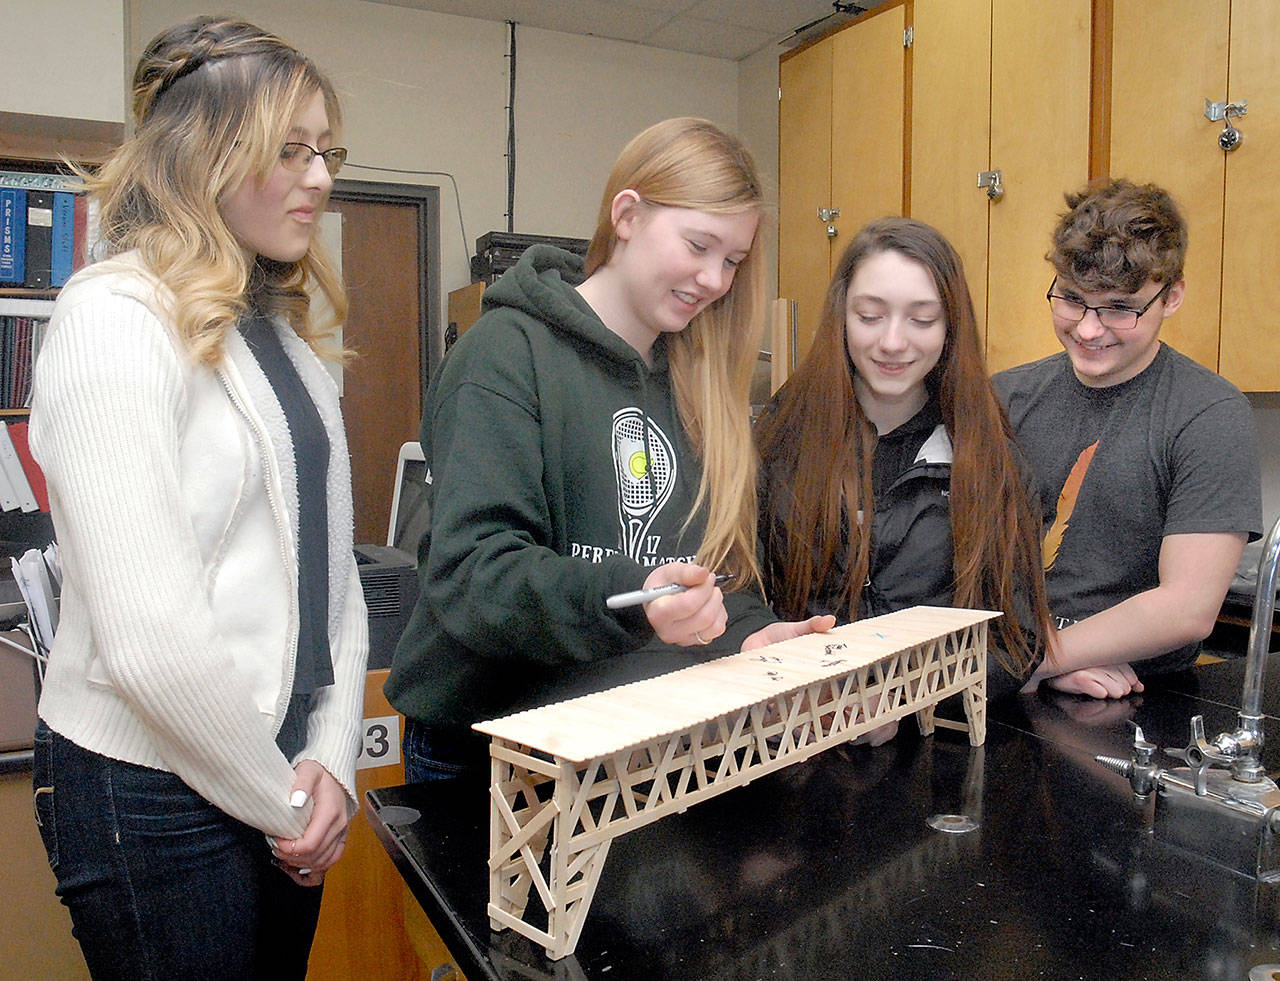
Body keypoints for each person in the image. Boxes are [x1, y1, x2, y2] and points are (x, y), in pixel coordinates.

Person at [29, 16, 369, 978]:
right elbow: (148, 637)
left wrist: (333, 754)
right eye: (289, 150)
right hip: (150, 789)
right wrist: (286, 799)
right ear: (203, 155)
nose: (321, 177)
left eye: (325, 150)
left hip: (280, 774)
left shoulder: (285, 344)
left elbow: (332, 571)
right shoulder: (113, 317)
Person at [385, 117, 829, 780]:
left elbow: (710, 572)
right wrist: (634, 595)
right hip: (493, 754)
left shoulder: (699, 379)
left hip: (634, 740)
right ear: (626, 214)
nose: (714, 279)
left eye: (732, 260)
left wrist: (748, 635)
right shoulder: (504, 356)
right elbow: (476, 577)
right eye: (699, 245)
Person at [756, 217, 1054, 709]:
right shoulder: (781, 435)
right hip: (789, 736)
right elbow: (739, 597)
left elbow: (1015, 643)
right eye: (870, 316)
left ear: (951, 326)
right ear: (841, 316)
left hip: (932, 751)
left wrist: (901, 699)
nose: (893, 343)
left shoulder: (988, 453)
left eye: (921, 319)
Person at [993, 179, 1261, 699]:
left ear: (1173, 295)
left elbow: (1186, 607)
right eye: (1072, 300)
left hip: (1128, 698)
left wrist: (1036, 662)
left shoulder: (1209, 414)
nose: (1090, 330)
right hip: (998, 680)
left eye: (1120, 308)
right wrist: (1025, 667)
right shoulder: (1002, 399)